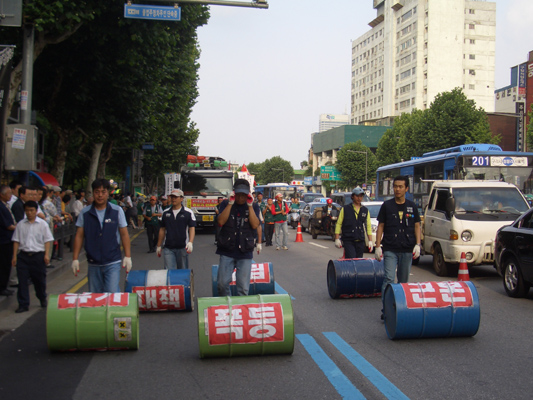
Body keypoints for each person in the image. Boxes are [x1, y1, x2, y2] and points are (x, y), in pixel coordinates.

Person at [71, 179, 132, 293]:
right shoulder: (85, 213)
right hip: (93, 262)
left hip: (112, 260)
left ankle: (114, 310)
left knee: (112, 292)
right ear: (93, 193)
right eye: (97, 192)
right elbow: (79, 236)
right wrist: (75, 259)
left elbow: (124, 234)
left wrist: (128, 256)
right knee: (95, 297)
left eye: (103, 192)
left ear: (108, 193)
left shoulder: (117, 211)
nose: (100, 195)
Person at [375, 176, 421, 320]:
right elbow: (381, 226)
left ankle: (401, 309)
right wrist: (377, 246)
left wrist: (418, 245)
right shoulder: (387, 206)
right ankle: (386, 309)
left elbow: (417, 226)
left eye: (401, 187)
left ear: (407, 189)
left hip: (407, 249)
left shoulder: (411, 206)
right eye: (395, 186)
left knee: (403, 282)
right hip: (390, 248)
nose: (397, 189)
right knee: (389, 278)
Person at [216, 179, 261, 296]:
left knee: (243, 288)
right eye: (238, 194)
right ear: (234, 193)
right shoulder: (226, 204)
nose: (241, 198)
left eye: (244, 195)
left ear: (248, 194)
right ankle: (228, 307)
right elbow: (220, 221)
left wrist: (250, 206)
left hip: (245, 251)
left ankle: (240, 311)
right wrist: (230, 203)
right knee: (222, 284)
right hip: (227, 250)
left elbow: (255, 225)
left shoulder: (254, 206)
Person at [11, 200, 54, 313]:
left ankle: (42, 297)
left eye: (32, 210)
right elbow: (16, 240)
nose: (29, 213)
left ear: (36, 211)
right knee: (22, 281)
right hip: (24, 256)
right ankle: (23, 304)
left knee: (39, 280)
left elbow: (47, 240)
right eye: (27, 210)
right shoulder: (20, 224)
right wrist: (14, 256)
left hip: (37, 256)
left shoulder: (42, 224)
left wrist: (46, 255)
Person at [156, 189, 196, 269]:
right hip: (168, 247)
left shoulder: (188, 212)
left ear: (181, 199)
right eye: (172, 197)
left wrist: (190, 242)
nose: (173, 199)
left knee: (182, 272)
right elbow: (162, 229)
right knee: (169, 272)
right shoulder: (165, 213)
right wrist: (158, 245)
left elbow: (192, 228)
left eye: (176, 197)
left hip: (182, 247)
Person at [335, 187, 373, 258]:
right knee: (352, 259)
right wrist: (337, 238)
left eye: (361, 196)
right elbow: (339, 224)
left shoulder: (365, 210)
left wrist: (370, 241)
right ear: (352, 196)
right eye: (357, 196)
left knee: (358, 261)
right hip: (348, 240)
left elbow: (368, 226)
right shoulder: (345, 209)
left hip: (360, 240)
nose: (359, 198)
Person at [0, 185, 16, 296]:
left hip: (8, 239)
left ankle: (4, 286)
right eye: (9, 193)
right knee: (4, 265)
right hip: (4, 240)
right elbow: (8, 225)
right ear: (2, 195)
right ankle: (2, 287)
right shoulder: (1, 207)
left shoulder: (5, 205)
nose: (11, 196)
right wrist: (20, 228)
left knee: (6, 264)